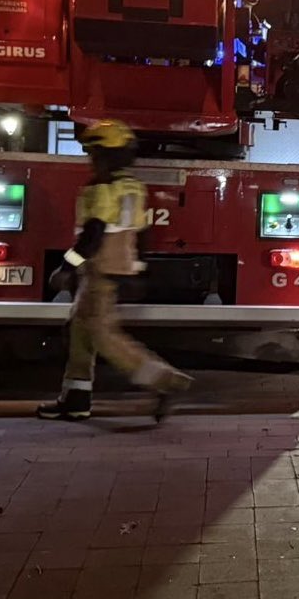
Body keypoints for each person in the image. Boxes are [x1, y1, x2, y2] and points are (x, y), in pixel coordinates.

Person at [38, 119, 192, 422]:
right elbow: (143, 233)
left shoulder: (102, 189)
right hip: (116, 269)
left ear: (105, 155)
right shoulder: (132, 187)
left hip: (99, 272)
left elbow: (92, 235)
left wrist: (66, 267)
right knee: (81, 334)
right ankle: (75, 400)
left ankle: (166, 382)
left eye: (93, 154)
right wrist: (139, 269)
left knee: (105, 338)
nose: (91, 160)